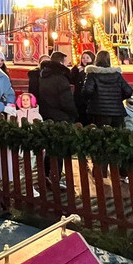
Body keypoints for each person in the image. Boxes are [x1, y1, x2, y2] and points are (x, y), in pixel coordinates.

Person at [37, 51, 77, 187]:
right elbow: (66, 101)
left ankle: (46, 174)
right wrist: (73, 114)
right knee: (59, 148)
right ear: (61, 63)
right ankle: (56, 177)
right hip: (60, 116)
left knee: (49, 146)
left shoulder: (44, 75)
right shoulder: (60, 79)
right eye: (66, 62)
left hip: (47, 114)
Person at [82, 50, 133, 129]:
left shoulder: (92, 74)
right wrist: (118, 98)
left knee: (101, 137)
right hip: (117, 111)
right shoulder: (117, 75)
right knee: (117, 137)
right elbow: (128, 91)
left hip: (98, 111)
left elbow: (87, 90)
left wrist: (93, 99)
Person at [70, 50, 95, 124]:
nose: (85, 59)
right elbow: (71, 80)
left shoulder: (93, 70)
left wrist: (82, 73)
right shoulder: (77, 69)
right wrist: (75, 70)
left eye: (87, 57)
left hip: (89, 99)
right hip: (78, 98)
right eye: (83, 57)